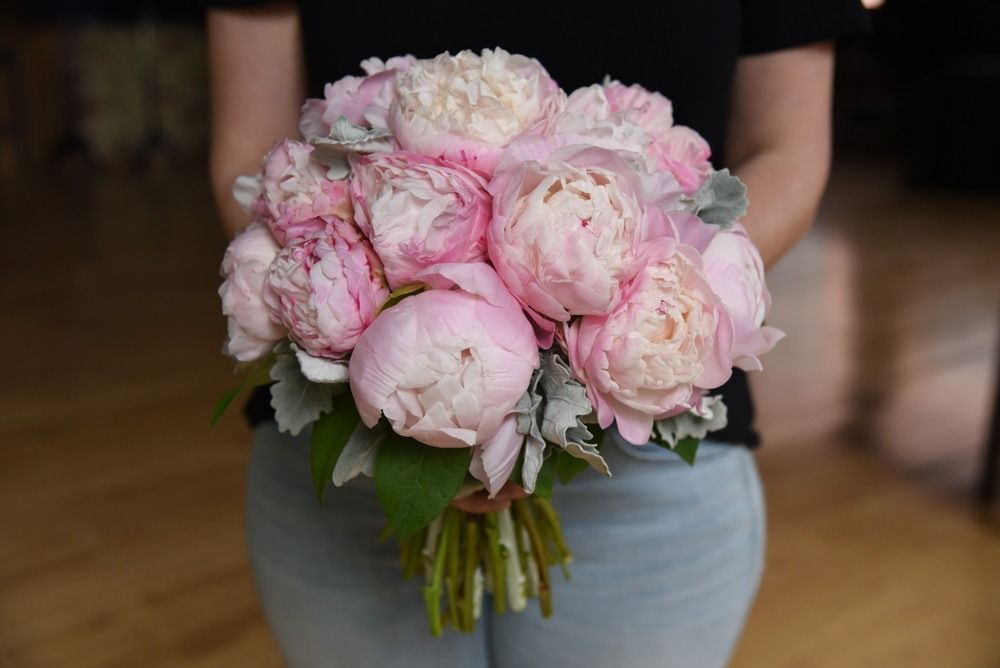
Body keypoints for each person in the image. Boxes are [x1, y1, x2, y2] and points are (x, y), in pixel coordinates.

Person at [206, 2, 868, 666]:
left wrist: (628, 310)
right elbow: (248, 148)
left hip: (647, 456)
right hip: (352, 432)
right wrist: (396, 336)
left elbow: (788, 149)